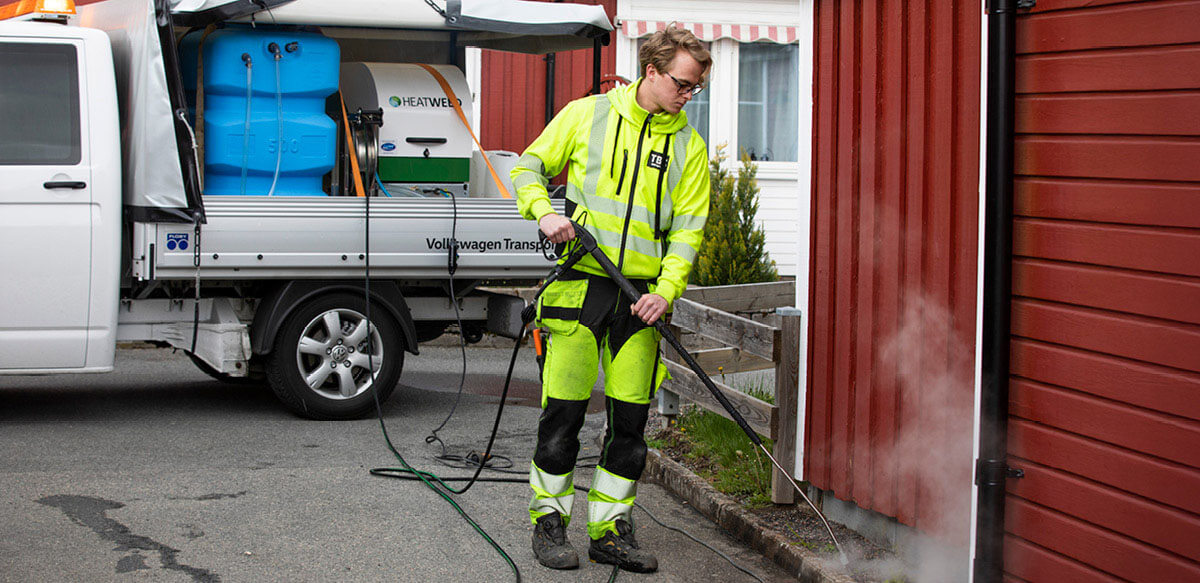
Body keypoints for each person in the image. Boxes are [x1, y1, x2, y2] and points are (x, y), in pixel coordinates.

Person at [511, 27, 712, 574]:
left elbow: (688, 233)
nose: (688, 95)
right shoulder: (587, 115)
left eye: (696, 88)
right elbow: (527, 165)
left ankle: (608, 529)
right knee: (563, 418)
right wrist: (544, 211)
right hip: (581, 287)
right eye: (683, 84)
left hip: (640, 301)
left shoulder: (689, 150)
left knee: (629, 426)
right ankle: (548, 522)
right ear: (651, 70)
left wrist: (666, 293)